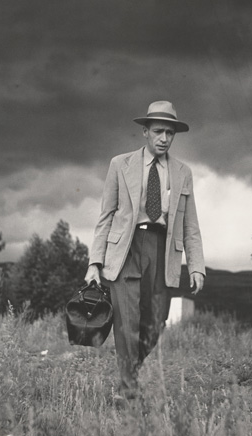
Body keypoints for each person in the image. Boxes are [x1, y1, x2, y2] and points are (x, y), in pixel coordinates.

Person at [84, 100, 205, 400]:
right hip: (125, 249)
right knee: (126, 323)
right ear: (145, 132)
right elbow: (106, 216)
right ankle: (128, 392)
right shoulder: (119, 164)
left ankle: (129, 373)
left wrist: (197, 265)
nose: (164, 138)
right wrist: (94, 263)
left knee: (155, 323)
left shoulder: (183, 172)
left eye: (170, 133)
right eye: (158, 131)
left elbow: (190, 223)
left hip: (163, 251)